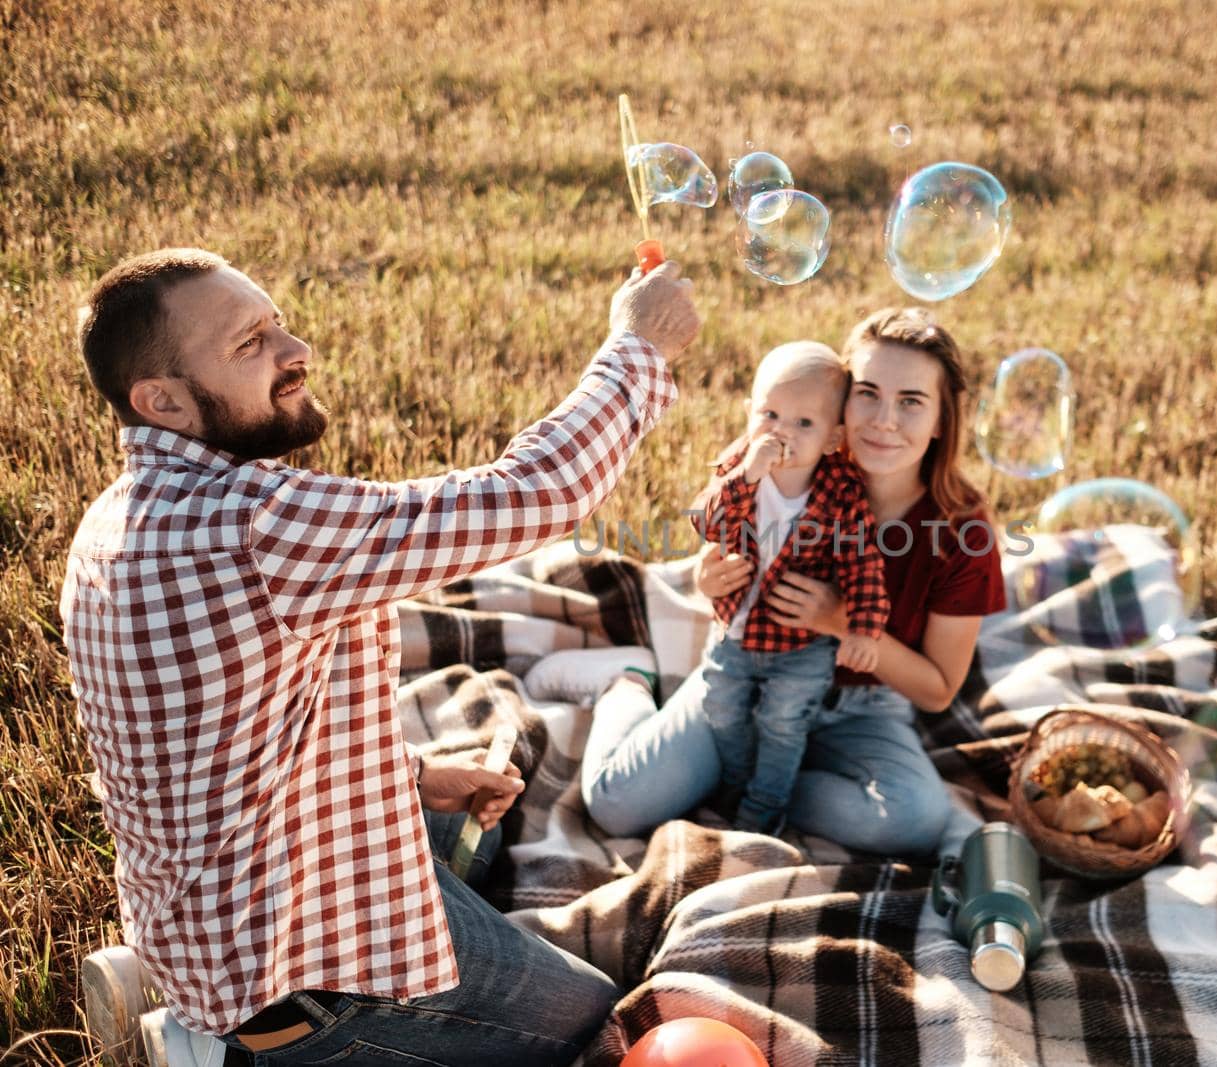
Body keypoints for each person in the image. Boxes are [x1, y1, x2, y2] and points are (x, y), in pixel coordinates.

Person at [60, 247, 699, 1065]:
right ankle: (224, 1049)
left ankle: (173, 995)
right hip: (301, 984)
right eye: (251, 343)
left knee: (471, 828)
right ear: (165, 402)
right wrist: (637, 345)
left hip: (208, 918)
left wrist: (411, 774)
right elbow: (541, 492)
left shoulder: (113, 518)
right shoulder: (254, 526)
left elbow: (219, 747)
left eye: (277, 323)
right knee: (596, 1026)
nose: (297, 353)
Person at [582, 308, 1006, 856]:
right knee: (615, 805)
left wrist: (839, 620)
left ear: (942, 420)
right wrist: (704, 578)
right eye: (868, 393)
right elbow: (724, 525)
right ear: (842, 401)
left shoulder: (961, 529)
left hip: (860, 709)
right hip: (748, 675)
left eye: (911, 402)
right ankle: (627, 686)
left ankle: (759, 789)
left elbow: (938, 689)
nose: (883, 419)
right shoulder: (796, 458)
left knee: (916, 818)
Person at [691, 342, 889, 833]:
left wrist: (863, 629)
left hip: (798, 644)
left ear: (832, 439)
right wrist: (747, 475)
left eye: (804, 423)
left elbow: (862, 562)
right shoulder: (739, 467)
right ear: (748, 414)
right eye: (770, 414)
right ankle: (737, 783)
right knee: (720, 709)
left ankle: (763, 814)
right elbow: (707, 523)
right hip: (734, 628)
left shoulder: (840, 489)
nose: (781, 431)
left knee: (783, 725)